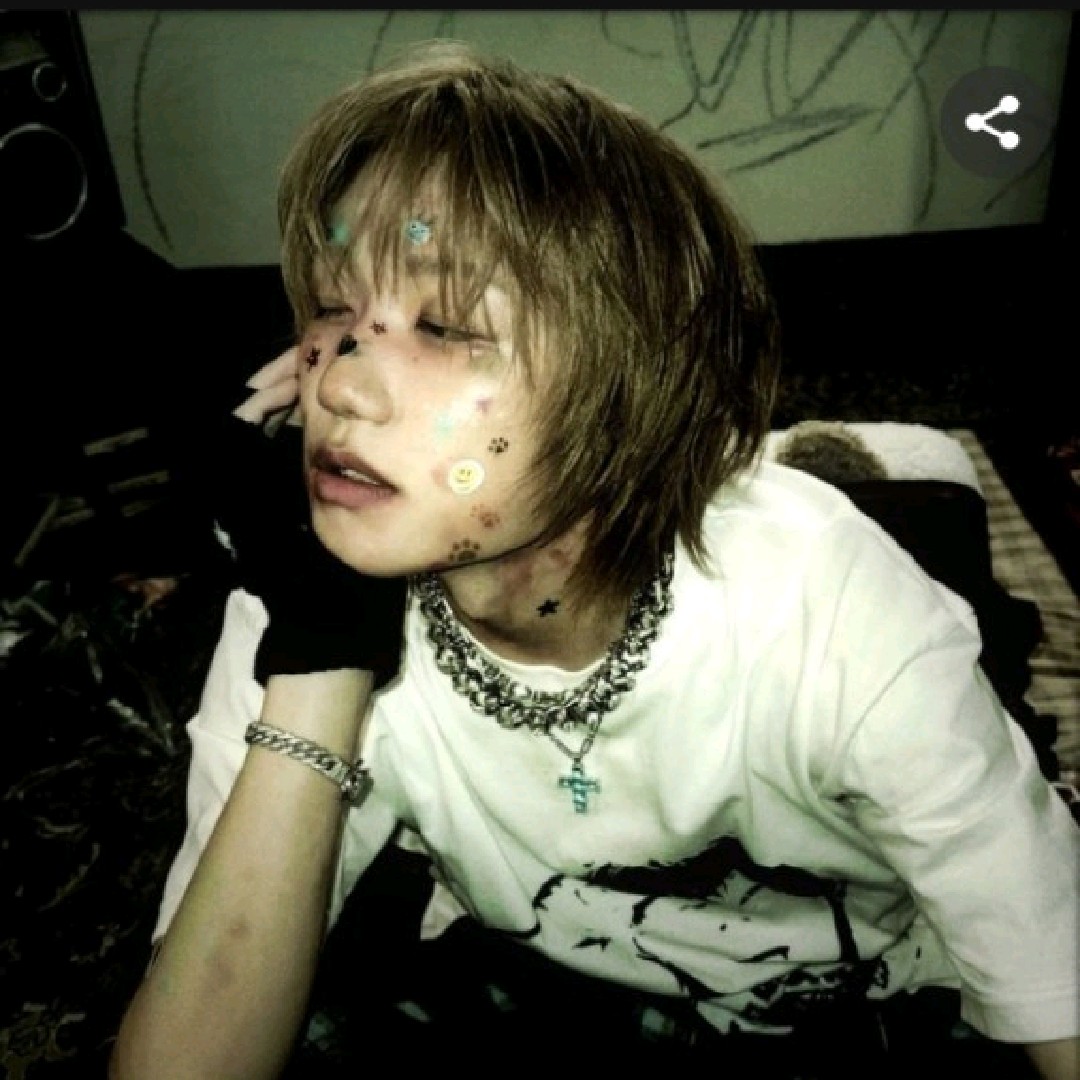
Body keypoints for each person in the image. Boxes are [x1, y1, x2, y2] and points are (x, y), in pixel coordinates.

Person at [109, 40, 1079, 1079]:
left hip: (875, 1000)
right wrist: (320, 660)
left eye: (445, 325)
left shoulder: (822, 597)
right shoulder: (303, 590)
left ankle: (886, 471)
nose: (339, 383)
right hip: (563, 992)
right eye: (334, 308)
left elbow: (1050, 979)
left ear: (628, 393)